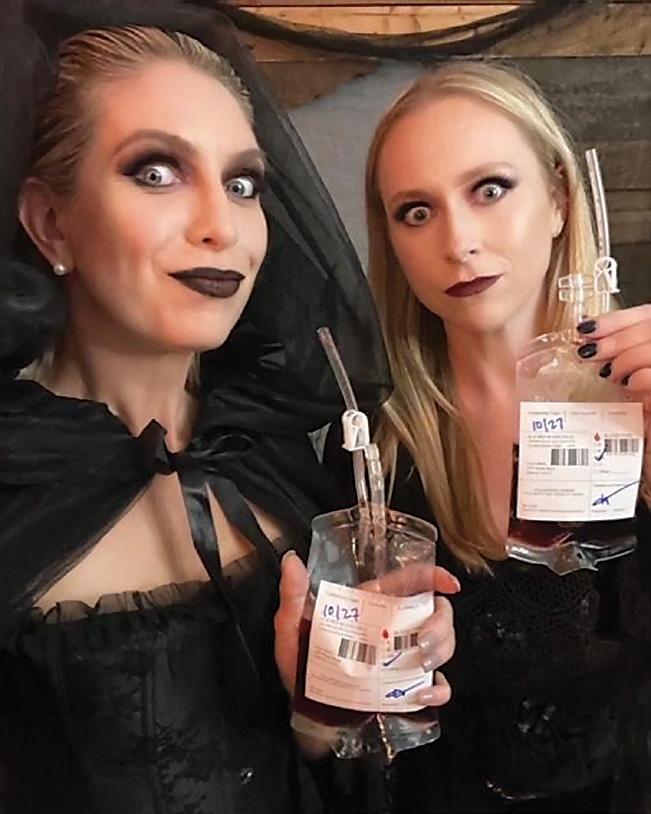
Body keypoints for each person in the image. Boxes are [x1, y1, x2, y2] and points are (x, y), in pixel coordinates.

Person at [0, 2, 458, 812]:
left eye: (242, 184)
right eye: (156, 172)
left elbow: (334, 771)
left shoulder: (272, 456)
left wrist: (326, 714)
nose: (223, 226)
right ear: (50, 222)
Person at [327, 60, 650, 812]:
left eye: (490, 189)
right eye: (416, 212)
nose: (459, 241)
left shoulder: (639, 395)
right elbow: (346, 728)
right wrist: (351, 682)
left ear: (560, 200)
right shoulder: (375, 450)